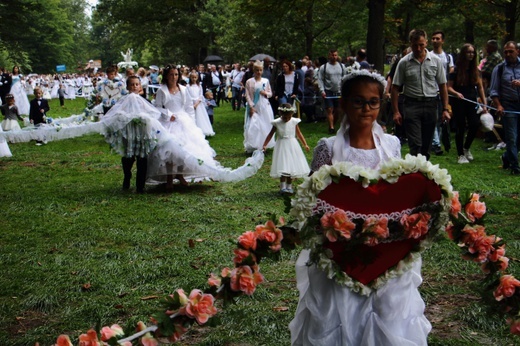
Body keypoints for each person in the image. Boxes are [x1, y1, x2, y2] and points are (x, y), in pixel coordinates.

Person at [289, 69, 431, 345]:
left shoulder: (391, 145)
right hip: (342, 250)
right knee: (341, 315)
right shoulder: (327, 147)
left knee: (387, 313)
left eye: (373, 102)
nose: (366, 109)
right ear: (343, 103)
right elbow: (313, 199)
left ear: (381, 104)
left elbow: (397, 195)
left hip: (387, 248)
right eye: (358, 101)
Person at [391, 29, 450, 160]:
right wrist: (396, 111)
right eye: (415, 45)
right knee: (416, 143)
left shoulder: (435, 61)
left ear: (426, 43)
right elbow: (395, 88)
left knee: (427, 143)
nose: (418, 48)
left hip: (431, 104)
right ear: (410, 43)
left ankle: (424, 170)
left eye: (421, 45)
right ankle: (415, 169)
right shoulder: (404, 62)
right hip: (411, 105)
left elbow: (443, 85)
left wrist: (445, 109)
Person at [101, 76, 160, 193]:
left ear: (140, 86)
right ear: (127, 87)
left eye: (137, 84)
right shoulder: (124, 100)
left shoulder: (143, 101)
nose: (134, 87)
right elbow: (116, 112)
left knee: (142, 157)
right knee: (128, 157)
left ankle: (140, 185)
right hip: (129, 132)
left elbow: (152, 113)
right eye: (132, 84)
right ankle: (127, 176)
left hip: (142, 132)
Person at [448, 43, 487, 164]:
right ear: (463, 54)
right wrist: (456, 93)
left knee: (475, 124)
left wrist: (484, 104)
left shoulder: (476, 70)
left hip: (471, 101)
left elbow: (480, 88)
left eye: (472, 52)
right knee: (460, 127)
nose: (470, 55)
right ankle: (460, 154)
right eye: (468, 52)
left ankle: (466, 148)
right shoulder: (455, 69)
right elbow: (448, 87)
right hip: (459, 101)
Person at [262, 103, 309, 194]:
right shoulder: (277, 123)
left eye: (289, 117)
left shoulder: (294, 122)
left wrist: (305, 144)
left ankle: (289, 186)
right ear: (280, 114)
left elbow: (299, 134)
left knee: (291, 166)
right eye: (285, 117)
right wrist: (265, 145)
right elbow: (271, 134)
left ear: (292, 114)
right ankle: (283, 187)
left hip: (292, 145)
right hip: (281, 145)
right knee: (283, 166)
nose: (287, 119)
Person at [490, 41, 520, 175]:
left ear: (517, 51)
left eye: (511, 51)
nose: (508, 54)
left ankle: (506, 157)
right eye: (506, 52)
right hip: (508, 105)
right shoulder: (500, 68)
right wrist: (499, 105)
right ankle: (515, 167)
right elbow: (494, 90)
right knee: (511, 137)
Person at [430, 30, 454, 156]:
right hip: (431, 91)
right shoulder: (428, 55)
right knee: (433, 118)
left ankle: (437, 141)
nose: (435, 40)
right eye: (433, 38)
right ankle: (436, 143)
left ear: (442, 41)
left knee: (441, 118)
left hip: (442, 91)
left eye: (437, 38)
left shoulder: (448, 57)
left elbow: (450, 74)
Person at [244, 60, 275, 153]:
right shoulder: (249, 82)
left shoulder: (266, 81)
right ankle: (254, 144)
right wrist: (251, 106)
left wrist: (265, 93)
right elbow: (247, 95)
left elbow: (270, 93)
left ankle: (264, 145)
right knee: (254, 125)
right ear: (254, 70)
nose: (259, 72)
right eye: (257, 70)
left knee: (265, 124)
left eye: (260, 70)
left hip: (264, 106)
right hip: (255, 105)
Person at [318, 49, 346, 134]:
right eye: (332, 55)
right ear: (329, 56)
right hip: (328, 90)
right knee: (329, 109)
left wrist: (345, 90)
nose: (334, 57)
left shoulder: (342, 66)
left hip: (339, 91)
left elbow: (345, 78)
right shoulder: (324, 67)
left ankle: (332, 123)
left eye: (335, 55)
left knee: (338, 110)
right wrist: (322, 90)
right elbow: (320, 79)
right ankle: (331, 127)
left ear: (337, 56)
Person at [187, 72, 215, 137]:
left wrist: (197, 103)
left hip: (198, 103)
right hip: (191, 103)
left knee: (200, 117)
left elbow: (201, 95)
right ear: (190, 78)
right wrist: (192, 103)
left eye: (195, 77)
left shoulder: (199, 86)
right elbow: (187, 95)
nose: (194, 79)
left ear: (197, 78)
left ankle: (203, 130)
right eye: (192, 77)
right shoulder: (188, 86)